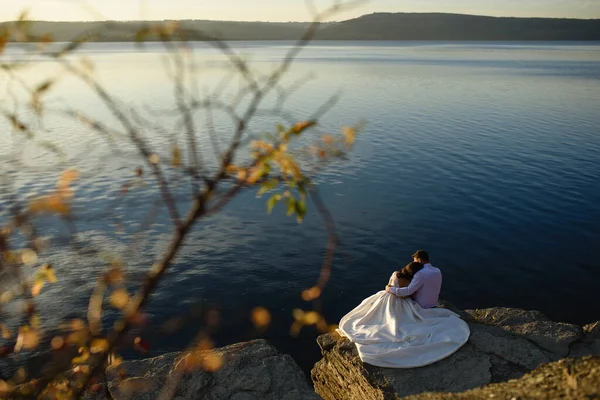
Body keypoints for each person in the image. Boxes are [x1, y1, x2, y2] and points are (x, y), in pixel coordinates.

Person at [336, 250, 468, 368]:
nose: (414, 262)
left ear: (419, 260)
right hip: (429, 302)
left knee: (378, 311)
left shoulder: (419, 273)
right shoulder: (437, 270)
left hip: (408, 300)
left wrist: (390, 289)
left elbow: (407, 291)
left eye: (415, 260)